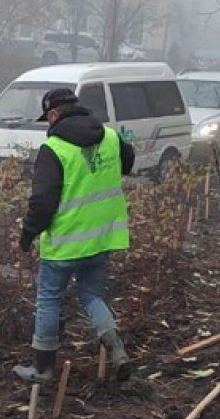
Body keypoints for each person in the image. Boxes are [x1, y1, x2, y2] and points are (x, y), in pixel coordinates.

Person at [14, 88, 135, 383]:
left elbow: (42, 202)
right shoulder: (108, 136)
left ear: (54, 114)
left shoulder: (54, 148)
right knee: (91, 293)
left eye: (47, 119)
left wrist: (28, 234)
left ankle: (43, 369)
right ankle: (116, 350)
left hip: (65, 243)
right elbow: (129, 162)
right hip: (103, 237)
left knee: (49, 299)